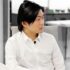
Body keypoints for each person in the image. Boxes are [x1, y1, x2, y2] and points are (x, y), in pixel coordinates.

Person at [5, 0, 65, 70]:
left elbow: (60, 65)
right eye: (38, 19)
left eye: (42, 18)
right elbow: (11, 67)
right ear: (24, 23)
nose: (42, 22)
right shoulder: (12, 42)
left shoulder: (50, 39)